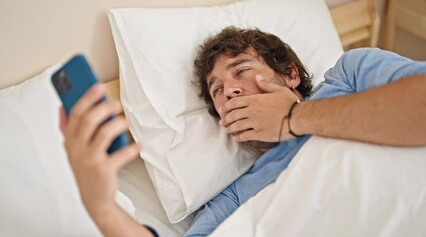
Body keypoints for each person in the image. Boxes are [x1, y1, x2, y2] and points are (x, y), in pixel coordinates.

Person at [59, 27, 426, 237]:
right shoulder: (233, 200)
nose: (229, 90)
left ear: (291, 74)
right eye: (217, 90)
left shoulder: (350, 74)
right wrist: (101, 206)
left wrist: (294, 118)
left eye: (241, 70)